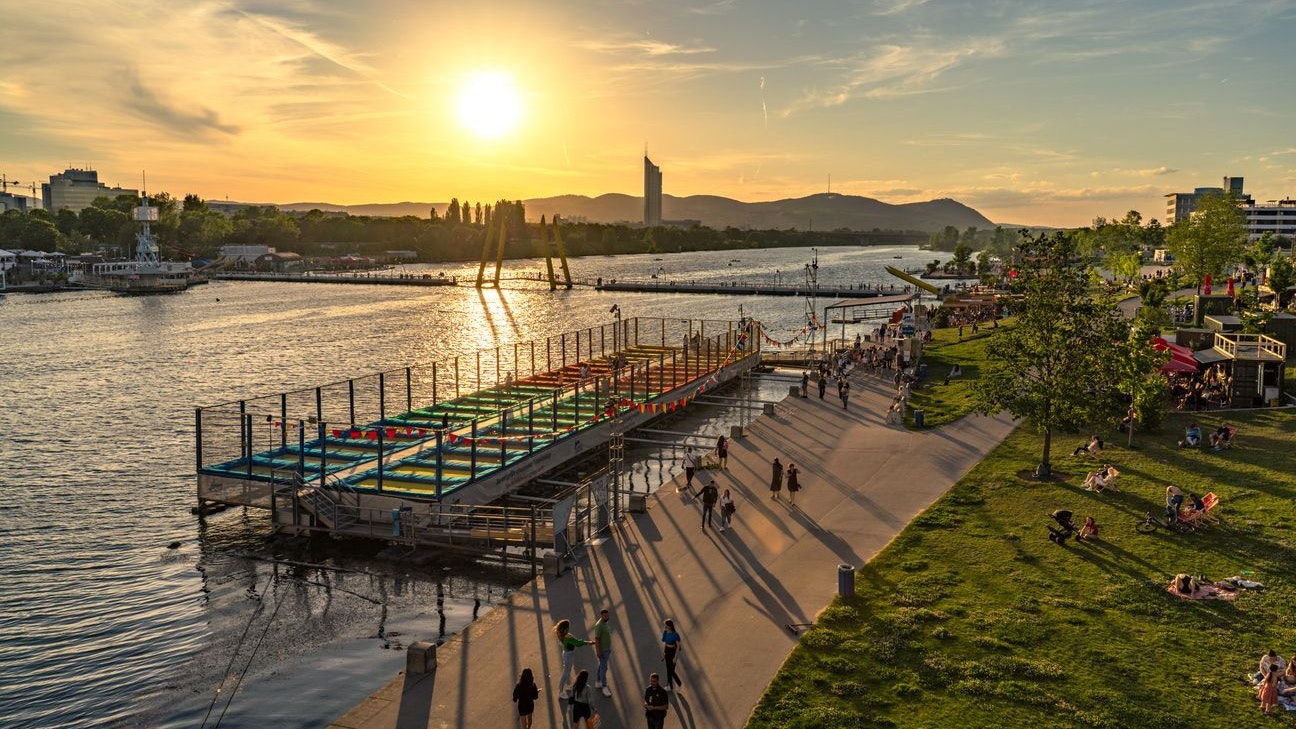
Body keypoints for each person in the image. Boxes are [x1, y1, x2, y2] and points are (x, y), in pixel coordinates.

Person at [552, 619, 589, 697]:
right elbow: (578, 643)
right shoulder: (568, 637)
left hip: (566, 653)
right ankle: (561, 691)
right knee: (565, 673)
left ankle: (566, 687)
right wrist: (588, 642)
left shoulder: (562, 634)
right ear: (566, 628)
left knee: (567, 671)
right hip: (568, 655)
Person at [592, 609, 613, 696]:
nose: (607, 617)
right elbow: (597, 639)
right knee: (604, 668)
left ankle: (598, 681)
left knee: (601, 666)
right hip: (603, 651)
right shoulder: (599, 625)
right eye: (605, 616)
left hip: (606, 649)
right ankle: (604, 687)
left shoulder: (605, 623)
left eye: (607, 615)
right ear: (601, 616)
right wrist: (598, 651)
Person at [661, 619, 683, 691]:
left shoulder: (674, 634)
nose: (665, 627)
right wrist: (664, 653)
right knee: (668, 670)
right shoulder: (665, 633)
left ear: (670, 626)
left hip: (673, 652)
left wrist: (675, 657)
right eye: (665, 625)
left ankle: (679, 683)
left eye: (666, 625)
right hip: (667, 651)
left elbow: (678, 646)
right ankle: (670, 686)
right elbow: (665, 643)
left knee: (671, 670)